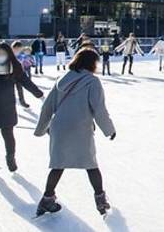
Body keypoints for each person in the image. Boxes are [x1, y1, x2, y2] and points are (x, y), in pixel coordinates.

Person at [34, 48, 115, 217]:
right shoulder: (92, 81)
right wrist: (109, 130)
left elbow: (47, 106)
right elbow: (99, 108)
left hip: (59, 127)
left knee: (58, 164)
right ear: (92, 63)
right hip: (80, 128)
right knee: (91, 164)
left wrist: (41, 129)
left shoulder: (62, 79)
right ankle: (100, 200)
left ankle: (47, 199)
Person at [0, 42, 43, 173]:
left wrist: (39, 94)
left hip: (6, 106)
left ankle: (10, 158)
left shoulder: (14, 66)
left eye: (2, 53)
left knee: (8, 134)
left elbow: (26, 82)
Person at [13, 41, 35, 108]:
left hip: (19, 75)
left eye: (20, 49)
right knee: (10, 91)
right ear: (14, 48)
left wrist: (30, 61)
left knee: (20, 89)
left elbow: (28, 61)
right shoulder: (10, 55)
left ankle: (22, 102)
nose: (19, 51)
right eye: (18, 49)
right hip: (10, 76)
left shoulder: (21, 56)